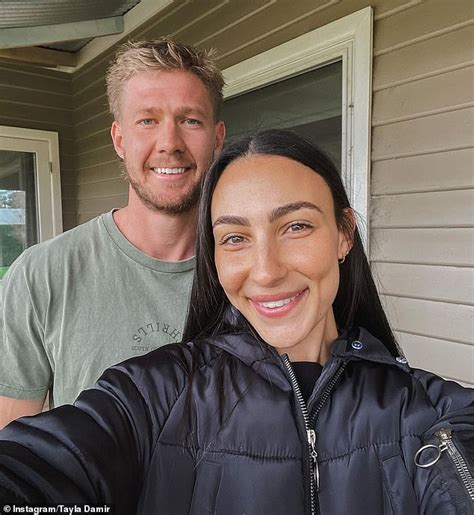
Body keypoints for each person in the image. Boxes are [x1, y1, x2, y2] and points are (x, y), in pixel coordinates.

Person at [0, 130, 472, 514]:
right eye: (234, 238)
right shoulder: (153, 395)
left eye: (296, 226)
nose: (265, 271)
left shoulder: (434, 413)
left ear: (344, 235)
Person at [0, 38, 225, 427]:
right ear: (120, 139)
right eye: (148, 120)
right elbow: (13, 448)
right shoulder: (43, 275)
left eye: (190, 120)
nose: (169, 143)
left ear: (217, 139)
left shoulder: (252, 273)